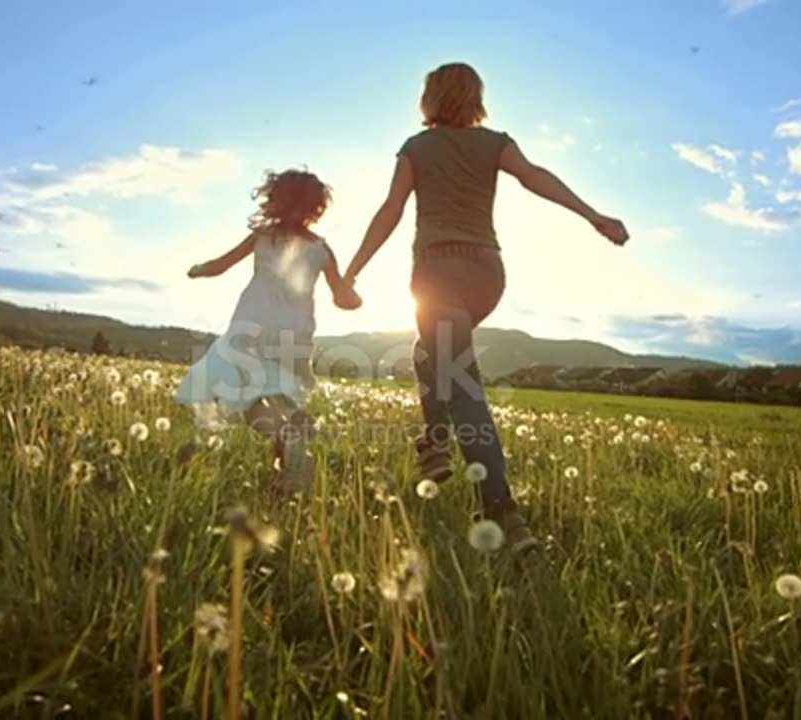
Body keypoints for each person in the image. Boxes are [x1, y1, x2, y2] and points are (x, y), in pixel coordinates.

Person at [341, 62, 629, 554]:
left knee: (461, 384)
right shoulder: (495, 142)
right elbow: (535, 177)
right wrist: (593, 215)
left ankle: (503, 510)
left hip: (436, 271)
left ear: (429, 99)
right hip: (486, 276)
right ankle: (434, 445)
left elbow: (391, 210)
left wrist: (351, 272)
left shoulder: (415, 147)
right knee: (427, 352)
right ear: (476, 98)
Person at [177, 168, 363, 494]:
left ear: (274, 200)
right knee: (281, 401)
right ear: (315, 208)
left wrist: (196, 270)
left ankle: (284, 440)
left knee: (239, 396)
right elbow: (344, 299)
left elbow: (220, 265)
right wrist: (354, 295)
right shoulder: (321, 248)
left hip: (252, 327)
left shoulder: (263, 237)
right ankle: (286, 474)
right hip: (295, 334)